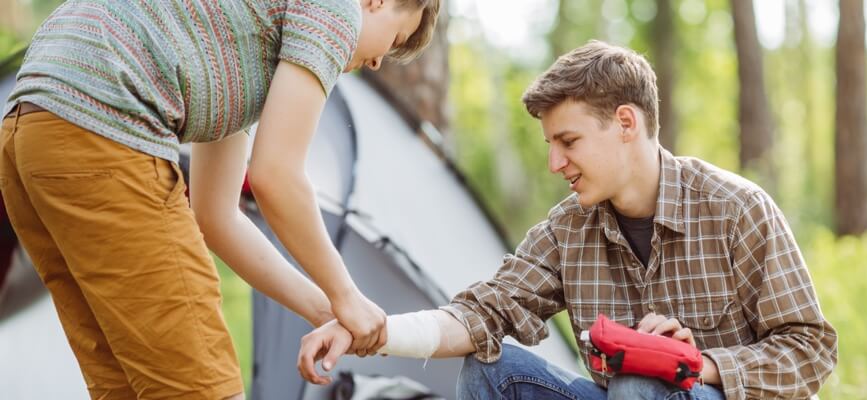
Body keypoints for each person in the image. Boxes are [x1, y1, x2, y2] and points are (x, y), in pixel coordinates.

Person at [297, 40, 838, 400]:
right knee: (493, 370)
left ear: (626, 123)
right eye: (550, 145)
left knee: (638, 383)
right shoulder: (567, 229)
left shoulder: (736, 207)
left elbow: (811, 351)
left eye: (569, 141)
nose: (556, 163)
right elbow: (481, 313)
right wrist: (374, 331)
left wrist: (696, 363)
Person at [0, 0, 439, 398]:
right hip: (103, 122)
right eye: (395, 39)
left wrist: (327, 310)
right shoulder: (337, 9)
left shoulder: (238, 42)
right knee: (203, 389)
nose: (380, 62)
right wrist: (348, 295)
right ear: (376, 2)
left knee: (128, 389)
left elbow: (216, 217)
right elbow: (276, 176)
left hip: (31, 133)